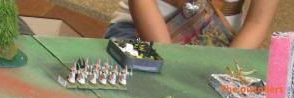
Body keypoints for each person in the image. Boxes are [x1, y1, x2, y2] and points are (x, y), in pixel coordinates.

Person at [106, 0, 280, 49]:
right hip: (140, 32)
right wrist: (169, 57)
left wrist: (227, 70)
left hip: (222, 46)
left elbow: (257, 22)